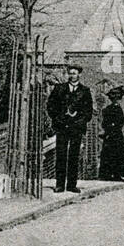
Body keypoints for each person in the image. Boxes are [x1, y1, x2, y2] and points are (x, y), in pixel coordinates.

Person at [46, 65, 93, 193]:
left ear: (79, 75)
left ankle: (72, 185)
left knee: (74, 156)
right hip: (62, 127)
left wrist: (77, 119)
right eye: (70, 73)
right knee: (61, 155)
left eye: (74, 73)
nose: (72, 76)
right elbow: (50, 105)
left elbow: (88, 112)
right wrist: (58, 118)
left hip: (76, 128)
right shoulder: (59, 89)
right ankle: (60, 184)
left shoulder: (85, 91)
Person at [98, 86, 124, 181]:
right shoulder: (114, 109)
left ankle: (110, 174)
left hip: (110, 136)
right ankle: (114, 174)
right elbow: (121, 122)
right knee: (115, 154)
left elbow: (105, 123)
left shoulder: (107, 109)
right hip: (115, 135)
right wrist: (113, 127)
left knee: (111, 154)